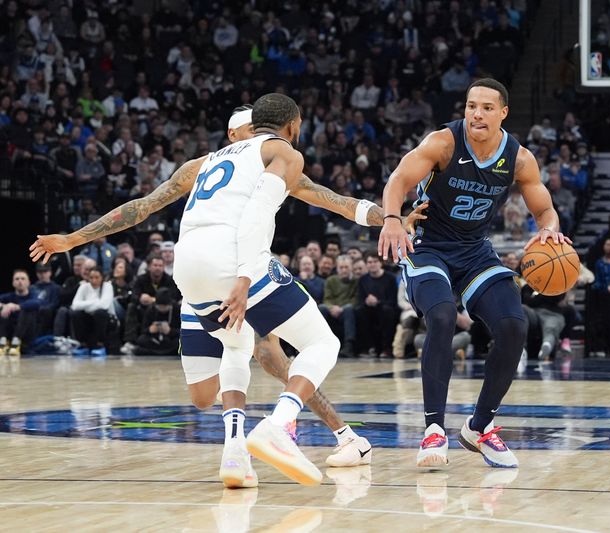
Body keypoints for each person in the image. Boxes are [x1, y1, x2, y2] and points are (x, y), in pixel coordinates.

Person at [30, 101, 425, 487]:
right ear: (293, 125)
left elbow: (142, 207)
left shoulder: (202, 163)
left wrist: (73, 238)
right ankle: (278, 425)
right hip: (233, 256)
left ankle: (235, 452)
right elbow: (292, 209)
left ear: (248, 128)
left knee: (237, 349)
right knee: (322, 342)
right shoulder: (280, 151)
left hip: (185, 265)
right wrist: (244, 277)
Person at [378, 78, 568, 468]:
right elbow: (398, 179)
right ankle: (433, 429)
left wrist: (549, 230)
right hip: (427, 246)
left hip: (476, 251)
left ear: (503, 113)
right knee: (443, 315)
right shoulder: (443, 143)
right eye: (470, 106)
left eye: (485, 107)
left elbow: (545, 211)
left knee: (514, 325)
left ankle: (479, 428)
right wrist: (393, 219)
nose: (476, 114)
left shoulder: (519, 158)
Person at [355, 253, 398, 358]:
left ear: (381, 263)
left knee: (387, 311)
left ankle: (386, 348)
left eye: (375, 262)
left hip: (386, 307)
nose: (372, 264)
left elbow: (393, 300)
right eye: (369, 262)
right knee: (360, 311)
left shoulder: (390, 278)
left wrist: (378, 302)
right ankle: (369, 348)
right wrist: (367, 301)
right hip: (370, 309)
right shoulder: (363, 280)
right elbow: (360, 299)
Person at [69, 266, 115, 356]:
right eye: (91, 278)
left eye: (97, 277)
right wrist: (95, 302)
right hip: (88, 319)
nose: (94, 280)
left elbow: (104, 305)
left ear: (102, 278)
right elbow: (74, 305)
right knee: (75, 314)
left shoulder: (107, 286)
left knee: (100, 313)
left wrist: (85, 305)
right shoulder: (83, 287)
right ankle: (82, 345)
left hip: (107, 320)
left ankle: (100, 345)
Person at [319, 255, 358, 357]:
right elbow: (327, 298)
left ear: (351, 268)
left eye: (346, 267)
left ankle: (348, 346)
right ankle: (319, 343)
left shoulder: (356, 281)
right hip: (332, 309)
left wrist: (341, 308)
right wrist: (331, 307)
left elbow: (356, 299)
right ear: (337, 268)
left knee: (349, 309)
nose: (344, 270)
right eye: (341, 267)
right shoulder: (331, 280)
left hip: (346, 310)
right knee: (321, 308)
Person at [0, 270, 41, 356]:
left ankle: (16, 342)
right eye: (17, 279)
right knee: (3, 309)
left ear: (28, 282)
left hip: (26, 333)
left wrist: (16, 307)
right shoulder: (8, 296)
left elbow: (36, 303)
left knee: (27, 310)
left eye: (23, 279)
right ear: (13, 283)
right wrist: (4, 306)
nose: (20, 281)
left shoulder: (33, 295)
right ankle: (2, 342)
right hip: (10, 331)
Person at [134, 287, 180, 355]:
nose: (162, 309)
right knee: (141, 340)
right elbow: (143, 329)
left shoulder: (176, 309)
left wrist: (170, 331)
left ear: (170, 305)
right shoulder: (151, 309)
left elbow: (182, 330)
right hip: (154, 339)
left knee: (180, 341)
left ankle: (157, 352)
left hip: (170, 339)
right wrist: (150, 330)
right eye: (159, 307)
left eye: (164, 307)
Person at [32, 262, 60, 336]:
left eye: (45, 271)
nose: (42, 274)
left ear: (50, 272)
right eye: (40, 272)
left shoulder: (55, 288)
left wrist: (40, 308)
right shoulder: (32, 288)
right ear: (37, 273)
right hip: (32, 313)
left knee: (45, 311)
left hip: (47, 314)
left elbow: (54, 304)